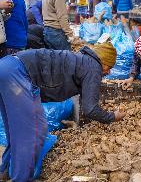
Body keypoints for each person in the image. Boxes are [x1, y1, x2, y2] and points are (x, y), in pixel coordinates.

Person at [0, 43, 126, 181]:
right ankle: (20, 179)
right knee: (34, 132)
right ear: (104, 62)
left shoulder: (83, 59)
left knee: (16, 130)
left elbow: (87, 103)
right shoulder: (94, 67)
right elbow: (90, 109)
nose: (108, 72)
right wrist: (113, 116)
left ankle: (5, 171)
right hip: (18, 74)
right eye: (109, 67)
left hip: (8, 65)